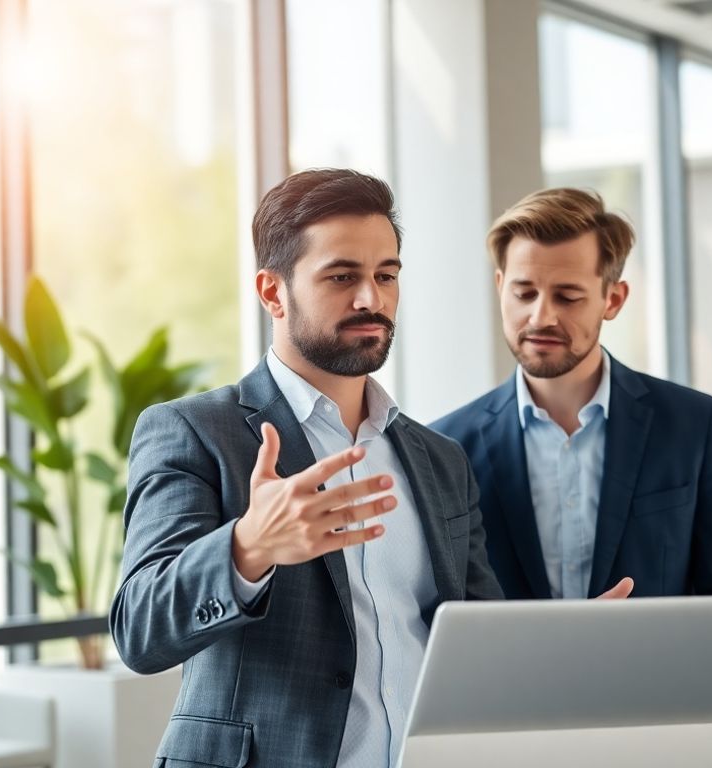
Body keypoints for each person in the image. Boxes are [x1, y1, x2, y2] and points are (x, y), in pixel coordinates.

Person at [110, 169, 514, 768]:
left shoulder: (439, 459)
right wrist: (248, 547)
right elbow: (139, 629)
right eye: (342, 276)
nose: (370, 299)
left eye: (386, 276)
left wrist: (557, 647)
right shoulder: (195, 431)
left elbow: (474, 637)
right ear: (273, 292)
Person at [431, 187, 712, 601]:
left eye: (567, 296)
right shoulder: (444, 448)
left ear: (613, 299)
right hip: (514, 670)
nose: (541, 316)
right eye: (524, 293)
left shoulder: (696, 426)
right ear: (501, 288)